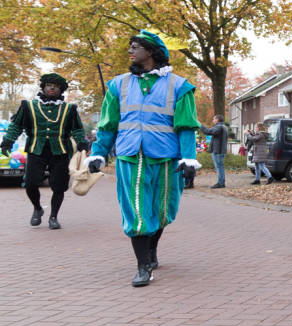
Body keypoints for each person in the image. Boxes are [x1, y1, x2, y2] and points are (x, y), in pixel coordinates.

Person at [86, 29, 201, 287]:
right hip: (129, 155)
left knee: (162, 211)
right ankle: (143, 266)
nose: (131, 51)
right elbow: (107, 124)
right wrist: (98, 153)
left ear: (150, 51)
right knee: (137, 212)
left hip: (166, 158)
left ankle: (151, 251)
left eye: (135, 46)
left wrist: (188, 159)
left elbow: (186, 127)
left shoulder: (180, 86)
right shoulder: (118, 85)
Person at [1, 73, 89, 229]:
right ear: (43, 87)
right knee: (30, 183)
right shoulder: (28, 106)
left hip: (60, 151)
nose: (52, 88)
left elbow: (77, 129)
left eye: (56, 86)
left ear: (61, 90)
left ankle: (53, 217)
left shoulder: (69, 109)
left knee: (59, 185)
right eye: (49, 85)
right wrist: (7, 141)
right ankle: (37, 208)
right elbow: (16, 126)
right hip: (36, 149)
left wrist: (82, 143)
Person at [200, 114, 228, 188]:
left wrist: (200, 125)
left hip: (218, 150)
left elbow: (208, 131)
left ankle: (220, 183)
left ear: (217, 120)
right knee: (220, 166)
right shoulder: (223, 126)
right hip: (220, 150)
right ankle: (221, 182)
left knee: (219, 167)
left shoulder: (219, 127)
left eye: (213, 119)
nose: (212, 120)